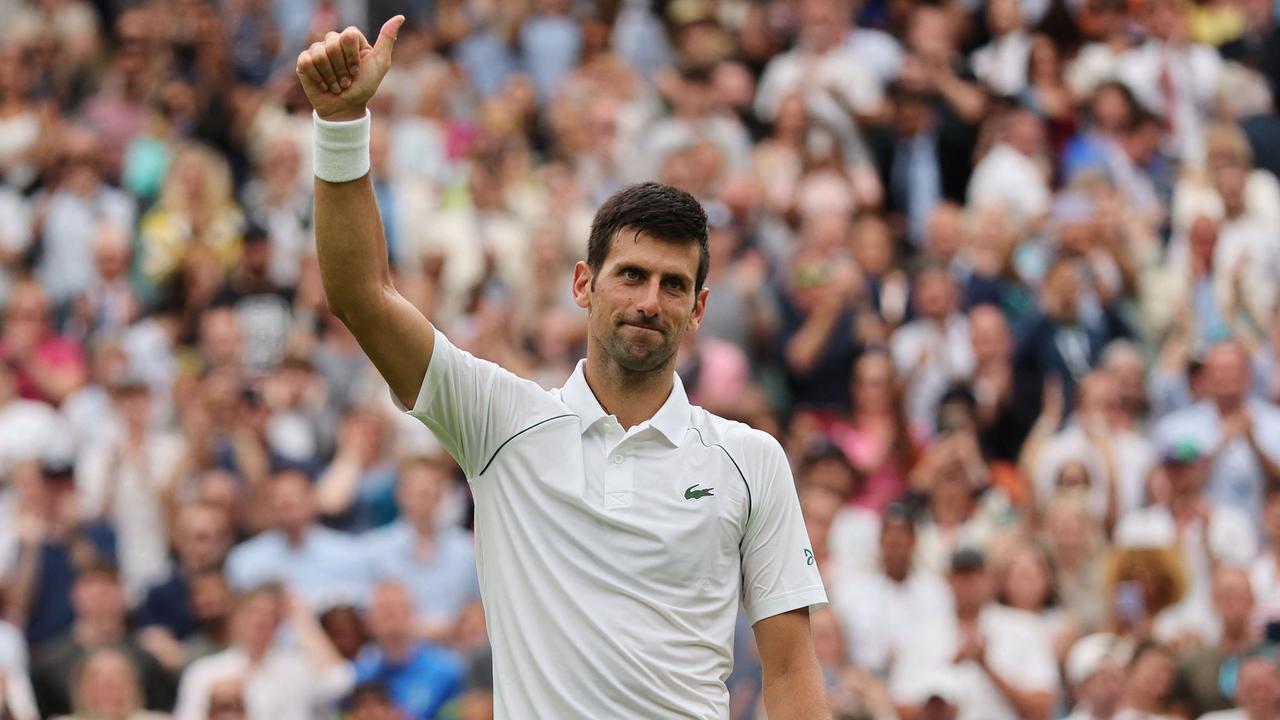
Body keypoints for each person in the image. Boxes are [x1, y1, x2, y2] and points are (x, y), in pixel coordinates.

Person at [296, 17, 827, 717]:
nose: (649, 301)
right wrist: (342, 123)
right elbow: (361, 296)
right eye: (631, 275)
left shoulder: (751, 460)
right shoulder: (499, 423)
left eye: (674, 286)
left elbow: (790, 673)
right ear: (583, 285)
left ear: (699, 310)